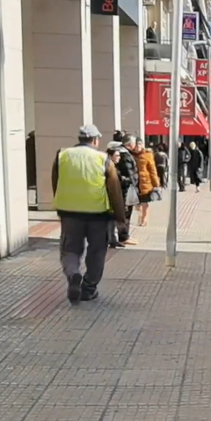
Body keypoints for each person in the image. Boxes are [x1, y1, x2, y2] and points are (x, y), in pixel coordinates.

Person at [52, 125, 127, 303]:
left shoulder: (62, 155)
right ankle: (88, 288)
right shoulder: (104, 159)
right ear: (95, 140)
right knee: (97, 252)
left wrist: (60, 205)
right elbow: (114, 190)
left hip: (70, 213)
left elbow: (56, 182)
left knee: (70, 249)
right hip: (98, 214)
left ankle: (73, 274)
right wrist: (120, 218)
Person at [133, 138, 160, 226]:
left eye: (139, 145)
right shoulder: (131, 155)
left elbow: (153, 170)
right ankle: (140, 216)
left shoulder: (147, 155)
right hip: (135, 182)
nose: (137, 147)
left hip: (145, 182)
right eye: (136, 145)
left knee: (144, 202)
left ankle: (144, 219)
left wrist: (156, 183)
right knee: (136, 203)